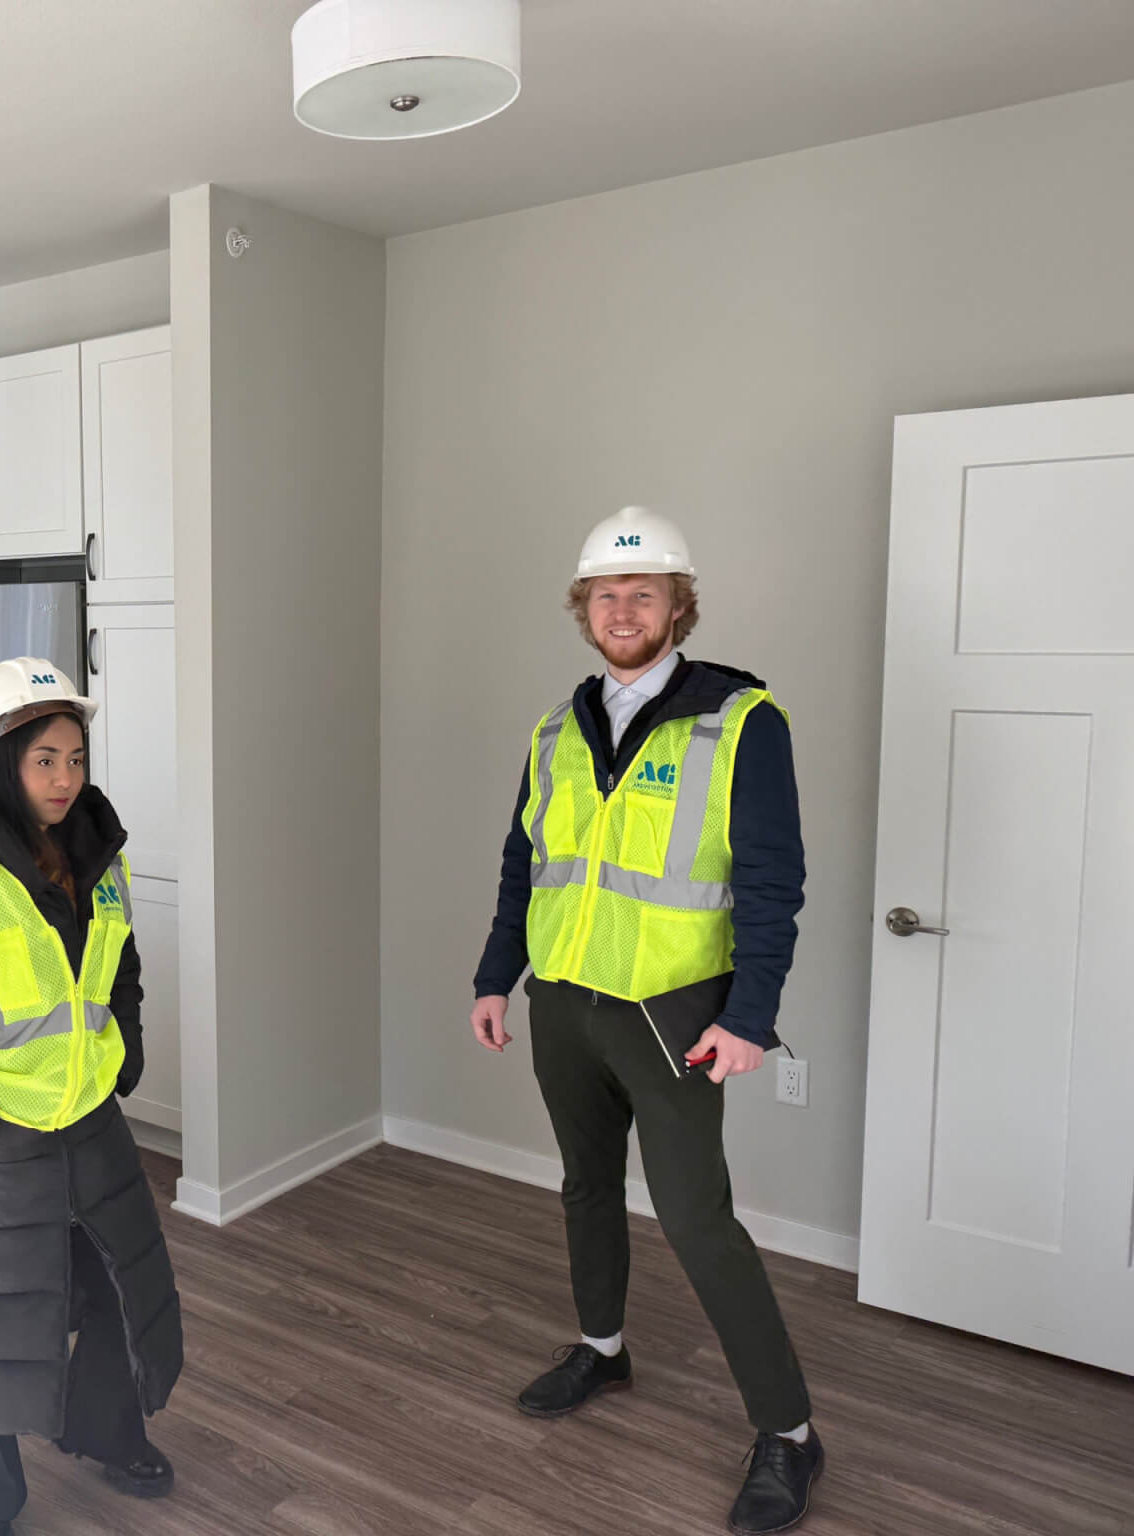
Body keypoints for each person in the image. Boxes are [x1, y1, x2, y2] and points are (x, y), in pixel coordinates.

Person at [468, 507, 823, 1534]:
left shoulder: (742, 722)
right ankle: (602, 1347)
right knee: (584, 1184)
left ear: (677, 607)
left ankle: (790, 1434)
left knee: (693, 1218)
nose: (622, 611)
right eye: (604, 596)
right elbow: (521, 867)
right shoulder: (552, 729)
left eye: (643, 594)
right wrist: (496, 977)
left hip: (671, 1015)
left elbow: (770, 880)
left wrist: (749, 1014)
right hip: (562, 1006)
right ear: (583, 610)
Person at [0, 658, 182, 1536]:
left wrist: (123, 1055)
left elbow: (118, 967)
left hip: (87, 1124)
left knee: (122, 1295)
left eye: (76, 757)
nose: (64, 778)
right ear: (1, 759)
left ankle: (109, 1435)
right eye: (44, 758)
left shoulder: (98, 852)